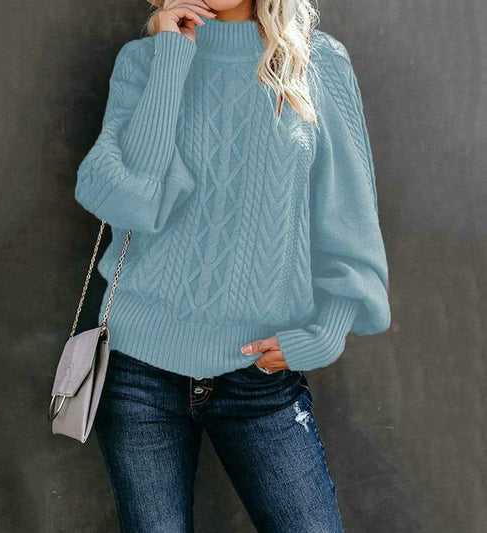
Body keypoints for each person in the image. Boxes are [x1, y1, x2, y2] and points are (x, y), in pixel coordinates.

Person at [74, 0, 391, 530]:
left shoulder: (317, 63)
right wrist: (171, 58)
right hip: (138, 372)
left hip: (259, 377)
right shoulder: (144, 61)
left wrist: (325, 333)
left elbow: (350, 216)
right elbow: (129, 203)